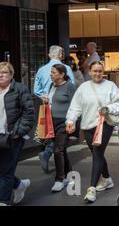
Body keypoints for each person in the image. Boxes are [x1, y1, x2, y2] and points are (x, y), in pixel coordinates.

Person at [66, 61, 119, 203]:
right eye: (94, 71)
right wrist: (70, 121)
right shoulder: (83, 88)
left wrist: (109, 108)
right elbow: (75, 107)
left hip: (105, 124)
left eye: (100, 71)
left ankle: (91, 189)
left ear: (103, 71)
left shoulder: (110, 86)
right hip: (88, 125)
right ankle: (107, 178)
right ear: (90, 72)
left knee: (97, 152)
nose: (97, 74)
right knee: (96, 153)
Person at [34, 45, 74, 174]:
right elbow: (71, 88)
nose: (52, 75)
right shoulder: (66, 69)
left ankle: (62, 172)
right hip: (63, 111)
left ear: (49, 55)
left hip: (47, 110)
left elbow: (36, 90)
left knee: (51, 136)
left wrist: (44, 97)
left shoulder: (41, 70)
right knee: (59, 144)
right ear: (61, 55)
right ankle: (59, 172)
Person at [0, 62, 34, 205]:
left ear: (11, 75)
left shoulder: (19, 89)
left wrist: (17, 132)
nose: (0, 75)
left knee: (5, 171)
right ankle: (20, 185)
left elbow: (29, 113)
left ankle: (3, 201)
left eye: (4, 72)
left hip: (11, 136)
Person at [41, 64, 76, 192]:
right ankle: (69, 174)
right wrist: (45, 100)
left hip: (64, 122)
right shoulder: (52, 85)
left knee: (58, 150)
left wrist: (73, 123)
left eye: (54, 72)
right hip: (51, 122)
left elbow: (76, 105)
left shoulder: (69, 87)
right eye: (51, 72)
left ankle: (59, 179)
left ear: (62, 74)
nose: (51, 74)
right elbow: (51, 102)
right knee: (61, 149)